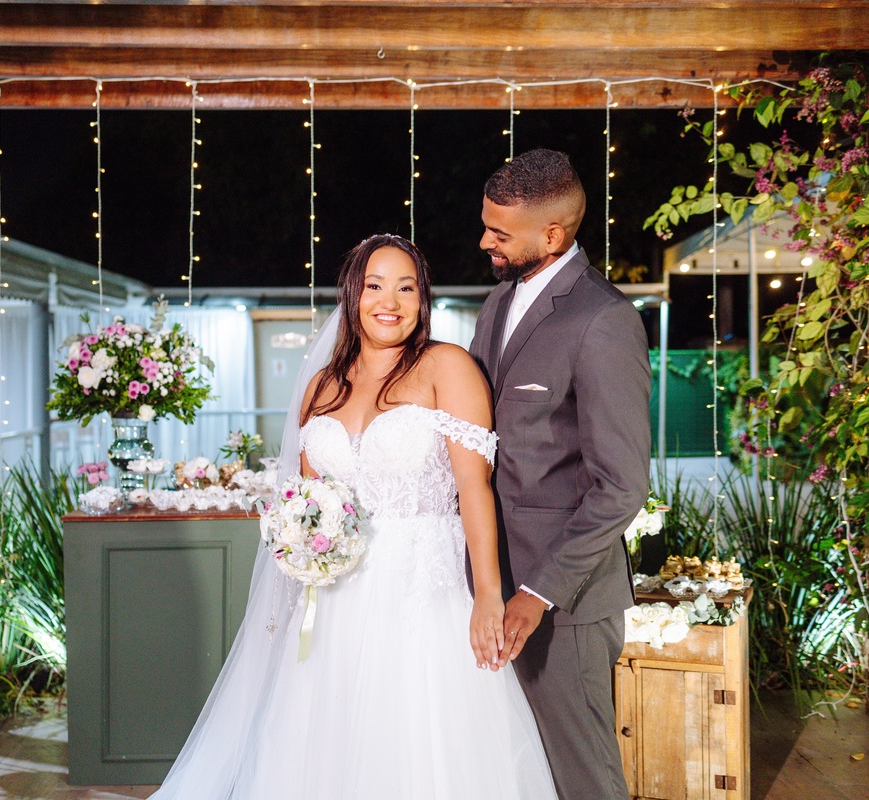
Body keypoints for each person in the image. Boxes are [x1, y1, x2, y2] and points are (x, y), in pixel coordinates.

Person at [151, 234, 556, 799]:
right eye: (374, 285)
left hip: (424, 599)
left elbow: (474, 488)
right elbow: (308, 499)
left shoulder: (448, 367)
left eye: (406, 287)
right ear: (352, 295)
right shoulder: (321, 387)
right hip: (334, 604)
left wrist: (489, 592)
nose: (389, 301)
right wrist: (298, 543)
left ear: (422, 301)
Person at [470, 149, 651, 800]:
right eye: (486, 224)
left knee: (583, 779)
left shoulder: (603, 320)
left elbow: (622, 486)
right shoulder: (495, 306)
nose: (484, 240)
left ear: (553, 234)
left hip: (563, 608)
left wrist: (535, 594)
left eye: (499, 231)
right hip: (491, 593)